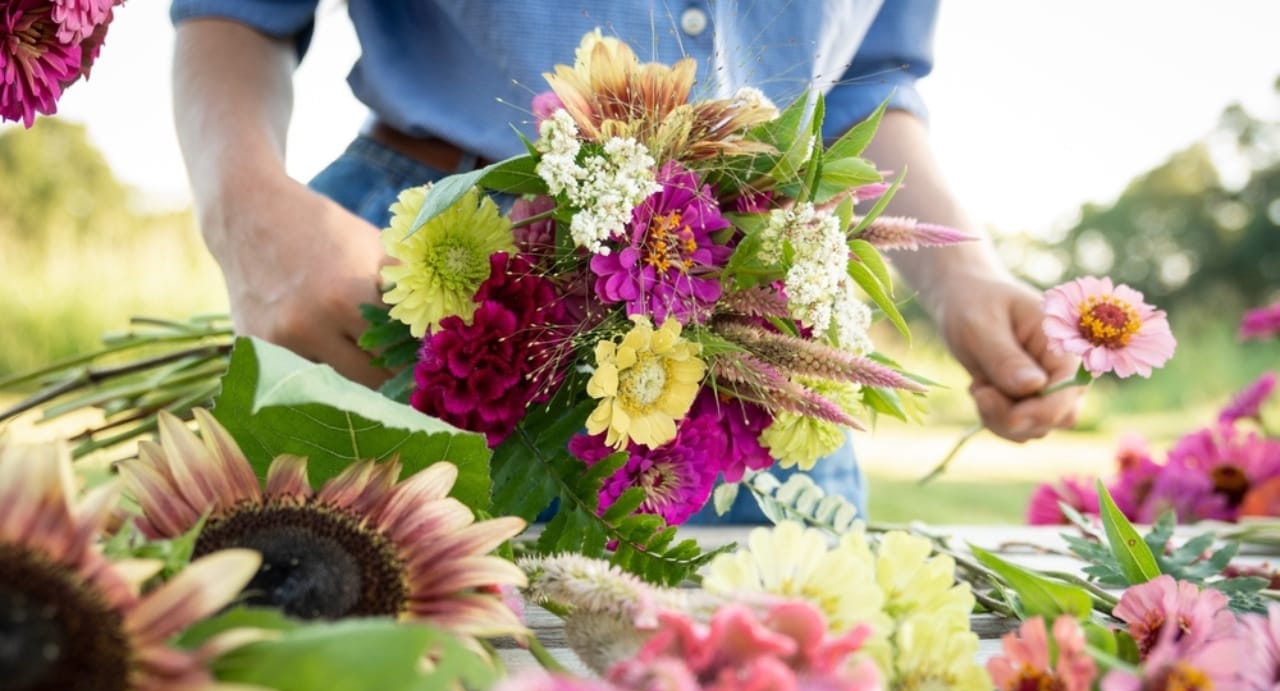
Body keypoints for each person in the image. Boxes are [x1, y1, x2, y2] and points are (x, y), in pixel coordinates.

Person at [169, 0, 1084, 521]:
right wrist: (245, 213)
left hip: (755, 342)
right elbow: (237, 10)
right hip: (425, 273)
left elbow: (864, 97)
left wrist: (965, 273)